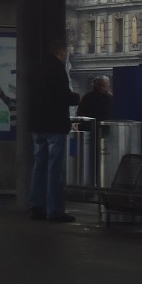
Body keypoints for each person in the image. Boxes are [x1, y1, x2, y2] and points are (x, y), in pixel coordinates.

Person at [29, 39, 81, 223]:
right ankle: (55, 210)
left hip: (37, 124)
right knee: (55, 168)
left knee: (39, 165)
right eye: (66, 50)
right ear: (61, 51)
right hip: (54, 125)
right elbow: (62, 96)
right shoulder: (57, 69)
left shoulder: (36, 67)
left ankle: (37, 206)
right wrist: (75, 98)